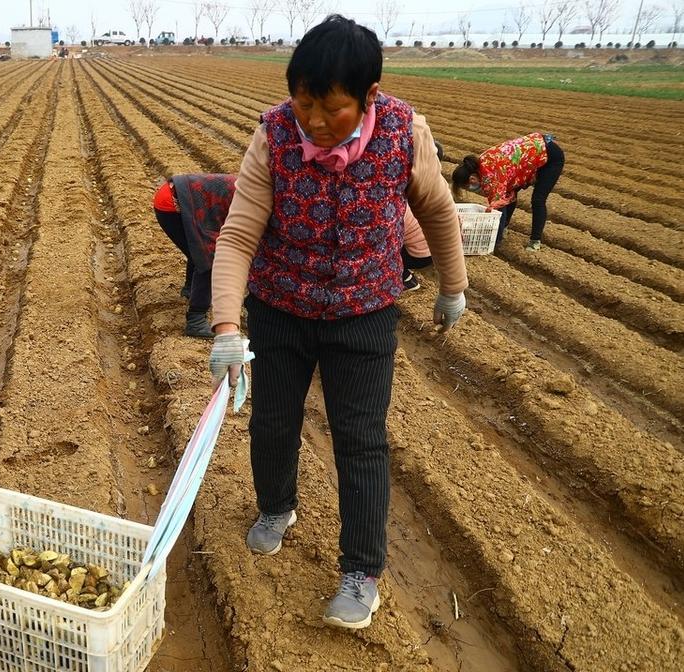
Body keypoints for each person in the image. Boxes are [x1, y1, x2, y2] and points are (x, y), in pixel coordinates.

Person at [207, 15, 468, 631]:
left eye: (331, 107)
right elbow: (240, 233)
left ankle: (361, 572)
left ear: (369, 96)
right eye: (303, 102)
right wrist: (225, 326)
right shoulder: (273, 135)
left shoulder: (405, 132)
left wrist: (453, 287)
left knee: (361, 439)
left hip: (365, 313)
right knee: (273, 420)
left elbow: (435, 208)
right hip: (282, 307)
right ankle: (276, 508)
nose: (314, 121)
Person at [152, 174, 238, 338]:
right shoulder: (254, 200)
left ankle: (190, 289)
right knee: (208, 257)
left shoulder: (253, 190)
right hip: (173, 203)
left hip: (171, 195)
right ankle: (196, 320)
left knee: (198, 246)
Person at [450, 132, 565, 252]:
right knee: (510, 191)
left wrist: (493, 243)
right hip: (534, 153)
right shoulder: (481, 164)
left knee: (538, 199)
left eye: (467, 186)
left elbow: (498, 207)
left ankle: (535, 241)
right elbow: (506, 196)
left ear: (471, 179)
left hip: (550, 156)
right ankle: (504, 228)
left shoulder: (490, 175)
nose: (470, 189)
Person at [400, 140, 445, 291]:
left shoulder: (400, 198)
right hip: (440, 249)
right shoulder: (432, 187)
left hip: (423, 254)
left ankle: (403, 277)